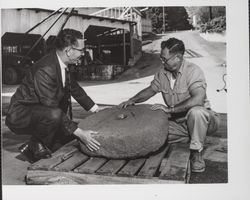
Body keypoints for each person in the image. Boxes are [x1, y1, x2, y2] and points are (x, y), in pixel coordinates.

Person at [119, 38, 220, 173]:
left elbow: (198, 99)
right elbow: (151, 90)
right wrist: (132, 100)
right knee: (152, 131)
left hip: (204, 121)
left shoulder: (193, 71)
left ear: (177, 57)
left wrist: (169, 109)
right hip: (179, 124)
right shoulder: (162, 73)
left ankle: (197, 153)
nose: (162, 62)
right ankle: (192, 136)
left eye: (164, 59)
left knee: (197, 112)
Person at [5, 29, 101, 162]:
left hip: (40, 111)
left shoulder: (61, 63)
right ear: (68, 50)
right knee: (56, 116)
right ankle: (33, 146)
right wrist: (81, 134)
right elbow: (51, 107)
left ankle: (47, 140)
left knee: (67, 135)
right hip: (20, 115)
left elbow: (75, 89)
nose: (83, 54)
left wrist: (96, 110)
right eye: (81, 50)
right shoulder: (46, 69)